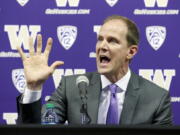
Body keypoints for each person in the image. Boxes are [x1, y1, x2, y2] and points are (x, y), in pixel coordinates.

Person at [16, 15, 173, 125]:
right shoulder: (70, 88)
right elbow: (37, 130)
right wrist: (33, 88)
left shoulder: (157, 99)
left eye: (112, 41)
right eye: (100, 39)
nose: (102, 46)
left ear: (131, 52)